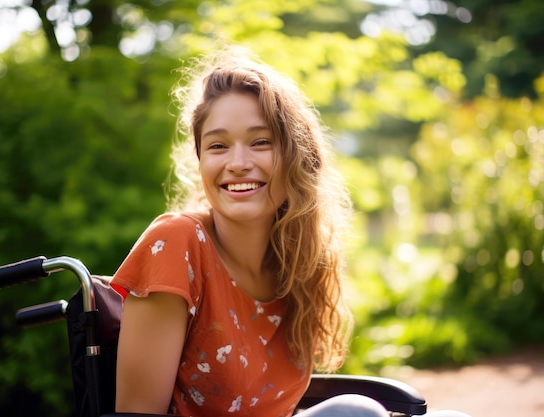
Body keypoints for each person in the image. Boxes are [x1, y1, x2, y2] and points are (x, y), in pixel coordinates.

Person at [111, 46, 389, 417]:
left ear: (295, 156)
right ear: (201, 160)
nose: (238, 164)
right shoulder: (177, 244)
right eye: (218, 146)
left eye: (260, 142)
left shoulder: (297, 263)